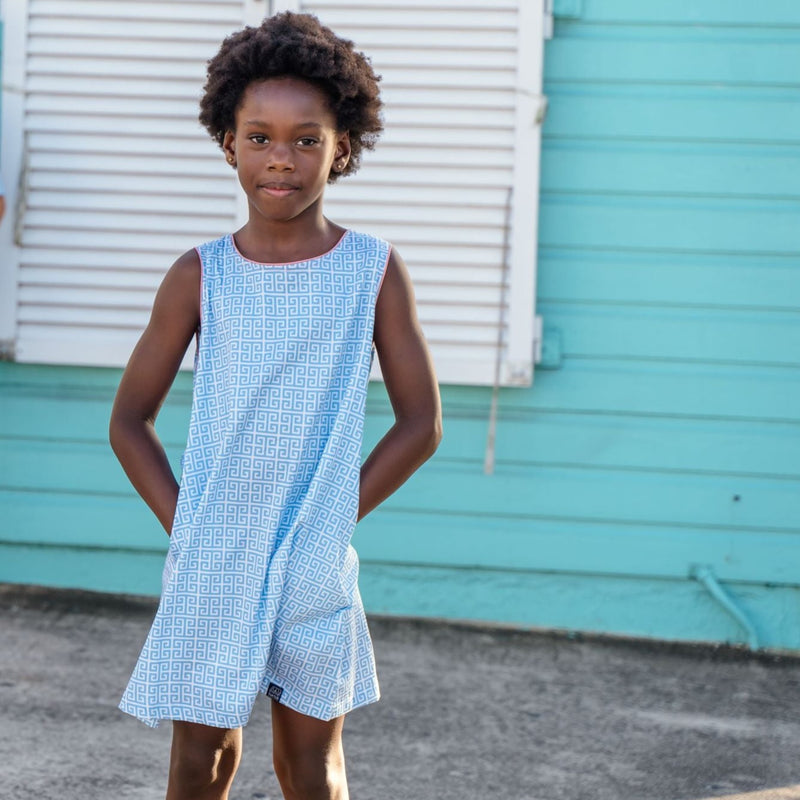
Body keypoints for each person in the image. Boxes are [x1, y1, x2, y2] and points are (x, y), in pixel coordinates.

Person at [108, 11, 442, 800]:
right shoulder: (200, 275)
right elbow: (128, 421)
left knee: (310, 767)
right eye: (258, 137)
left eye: (306, 138)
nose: (280, 159)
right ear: (228, 143)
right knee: (202, 762)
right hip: (216, 558)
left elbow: (422, 424)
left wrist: (330, 517)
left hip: (314, 565)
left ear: (343, 146)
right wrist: (190, 525)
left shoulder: (372, 271)